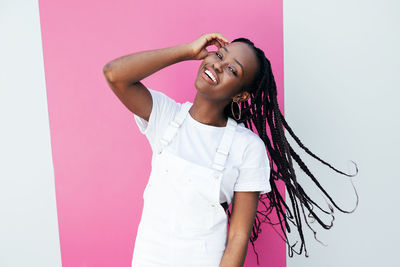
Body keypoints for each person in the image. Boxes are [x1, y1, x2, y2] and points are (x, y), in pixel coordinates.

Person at [103, 32, 359, 266]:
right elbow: (114, 74)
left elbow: (238, 237)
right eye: (220, 54)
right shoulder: (165, 115)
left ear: (240, 96)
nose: (217, 65)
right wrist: (188, 51)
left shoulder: (247, 147)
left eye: (232, 70)